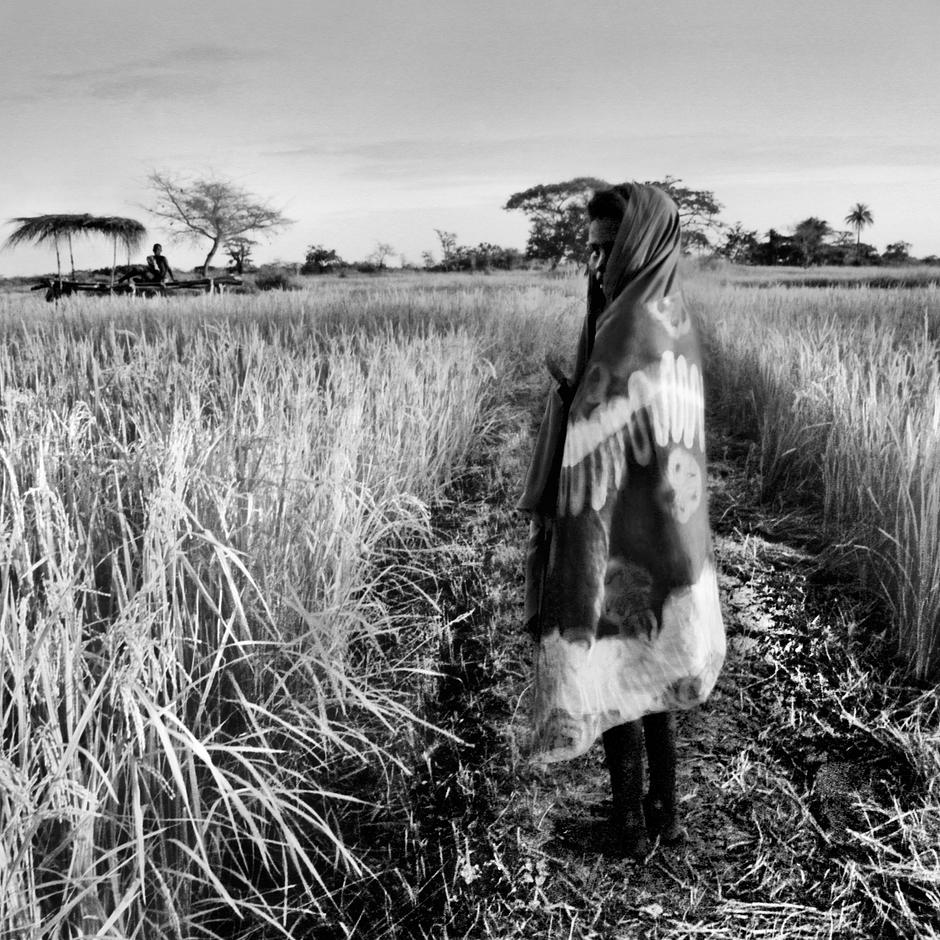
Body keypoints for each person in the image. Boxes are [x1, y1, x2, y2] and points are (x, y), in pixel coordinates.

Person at [518, 182, 726, 858]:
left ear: (639, 247)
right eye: (592, 250)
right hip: (667, 538)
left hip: (616, 541)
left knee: (614, 671)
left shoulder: (630, 329)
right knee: (654, 675)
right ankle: (665, 814)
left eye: (607, 250)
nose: (595, 265)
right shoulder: (670, 318)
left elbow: (598, 438)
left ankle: (631, 825)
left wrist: (574, 404)